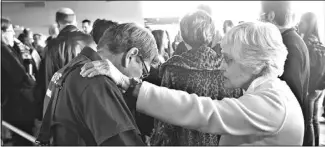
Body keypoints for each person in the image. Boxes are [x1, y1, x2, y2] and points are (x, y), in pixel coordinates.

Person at [80, 21, 305, 145]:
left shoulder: (272, 103)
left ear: (254, 63)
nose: (221, 66)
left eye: (228, 60)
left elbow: (204, 111)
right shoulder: (269, 93)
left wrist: (131, 85)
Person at [37, 23, 159, 145]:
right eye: (143, 71)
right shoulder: (97, 80)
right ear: (130, 55)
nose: (139, 80)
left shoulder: (70, 69)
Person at [149, 10, 242, 146]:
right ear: (211, 33)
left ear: (184, 35)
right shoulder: (227, 65)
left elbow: (165, 116)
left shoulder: (173, 69)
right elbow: (237, 109)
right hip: (223, 140)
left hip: (184, 141)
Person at [260, 1, 310, 145]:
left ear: (270, 16)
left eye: (261, 16)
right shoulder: (292, 39)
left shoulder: (287, 45)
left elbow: (290, 91)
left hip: (287, 126)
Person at [36, 8, 95, 119]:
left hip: (63, 110)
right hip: (90, 105)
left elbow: (47, 80)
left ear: (58, 23)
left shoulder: (52, 46)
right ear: (75, 21)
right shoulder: (91, 41)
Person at [1, 17, 37, 146]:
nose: (13, 35)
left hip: (12, 104)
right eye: (11, 31)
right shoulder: (3, 50)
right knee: (22, 138)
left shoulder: (9, 48)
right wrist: (33, 83)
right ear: (2, 32)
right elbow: (19, 75)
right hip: (16, 104)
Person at [298, 12, 325, 146]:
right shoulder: (319, 41)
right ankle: (316, 144)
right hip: (320, 88)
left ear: (308, 24)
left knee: (307, 121)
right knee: (314, 119)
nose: (299, 24)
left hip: (310, 88)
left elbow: (305, 69)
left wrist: (307, 88)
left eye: (302, 22)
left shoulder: (306, 42)